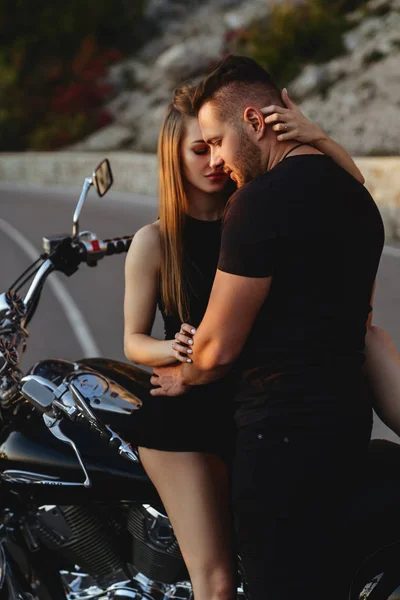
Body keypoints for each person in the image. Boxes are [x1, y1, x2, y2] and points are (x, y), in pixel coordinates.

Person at [149, 55, 385, 600]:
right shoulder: (357, 198)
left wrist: (187, 372)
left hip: (280, 438)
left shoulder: (258, 204)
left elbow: (216, 349)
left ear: (255, 123)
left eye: (216, 141)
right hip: (346, 426)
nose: (218, 159)